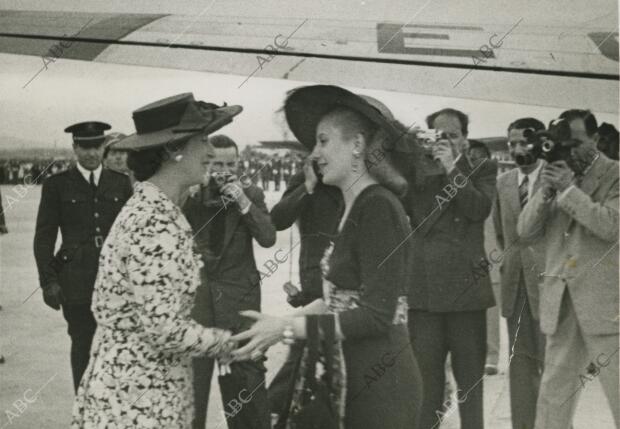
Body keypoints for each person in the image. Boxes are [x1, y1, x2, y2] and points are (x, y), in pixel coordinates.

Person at [230, 85, 423, 429]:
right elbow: (338, 301)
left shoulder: (378, 206)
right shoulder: (353, 205)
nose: (314, 154)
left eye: (323, 141)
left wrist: (288, 329)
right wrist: (276, 325)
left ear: (358, 145)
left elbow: (376, 316)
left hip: (379, 387)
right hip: (350, 375)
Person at [71, 93, 243, 429]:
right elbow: (165, 329)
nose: (210, 152)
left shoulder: (156, 209)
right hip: (137, 398)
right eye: (203, 140)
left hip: (142, 390)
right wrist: (227, 342)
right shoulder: (154, 222)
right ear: (173, 150)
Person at [517, 110, 619, 429]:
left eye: (575, 142)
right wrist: (546, 194)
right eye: (563, 143)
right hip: (562, 302)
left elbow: (611, 226)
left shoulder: (615, 174)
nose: (569, 150)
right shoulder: (554, 173)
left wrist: (568, 191)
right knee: (553, 398)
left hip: (607, 305)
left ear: (596, 140)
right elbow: (525, 232)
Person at [403, 108, 497, 429]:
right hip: (425, 296)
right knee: (424, 389)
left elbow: (477, 209)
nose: (446, 142)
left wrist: (451, 167)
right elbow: (411, 213)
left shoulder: (483, 169)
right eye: (438, 136)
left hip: (467, 297)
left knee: (470, 387)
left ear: (466, 140)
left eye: (453, 136)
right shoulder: (416, 173)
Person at [183, 134, 276, 429]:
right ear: (205, 162)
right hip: (199, 308)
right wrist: (192, 198)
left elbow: (268, 238)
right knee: (192, 393)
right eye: (216, 163)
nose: (224, 170)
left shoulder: (251, 193)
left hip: (239, 308)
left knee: (245, 394)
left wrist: (243, 201)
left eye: (231, 164)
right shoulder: (191, 195)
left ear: (239, 164)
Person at [33, 121, 132, 392]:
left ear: (103, 147)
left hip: (116, 281)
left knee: (118, 346)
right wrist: (48, 281)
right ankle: (85, 411)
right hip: (76, 282)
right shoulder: (57, 185)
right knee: (83, 344)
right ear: (74, 148)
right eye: (84, 147)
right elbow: (44, 236)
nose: (91, 153)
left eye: (96, 146)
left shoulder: (121, 183)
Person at [267, 144, 343, 420]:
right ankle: (274, 408)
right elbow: (278, 220)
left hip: (350, 275)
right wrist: (308, 186)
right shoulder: (305, 178)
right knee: (307, 347)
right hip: (315, 274)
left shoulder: (353, 176)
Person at [493, 117, 547, 428]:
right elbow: (503, 233)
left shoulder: (554, 180)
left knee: (553, 371)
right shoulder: (503, 183)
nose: (515, 149)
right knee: (520, 371)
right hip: (516, 286)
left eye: (522, 143)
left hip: (548, 286)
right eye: (511, 144)